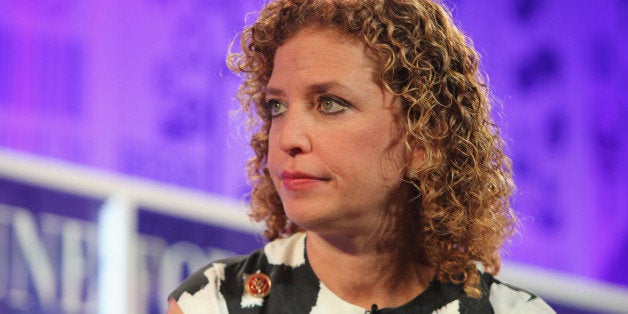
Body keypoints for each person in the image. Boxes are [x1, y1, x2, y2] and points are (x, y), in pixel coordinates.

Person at [167, 0, 555, 313]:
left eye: (330, 104)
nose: (288, 137)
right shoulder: (214, 303)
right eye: (276, 107)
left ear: (423, 139)